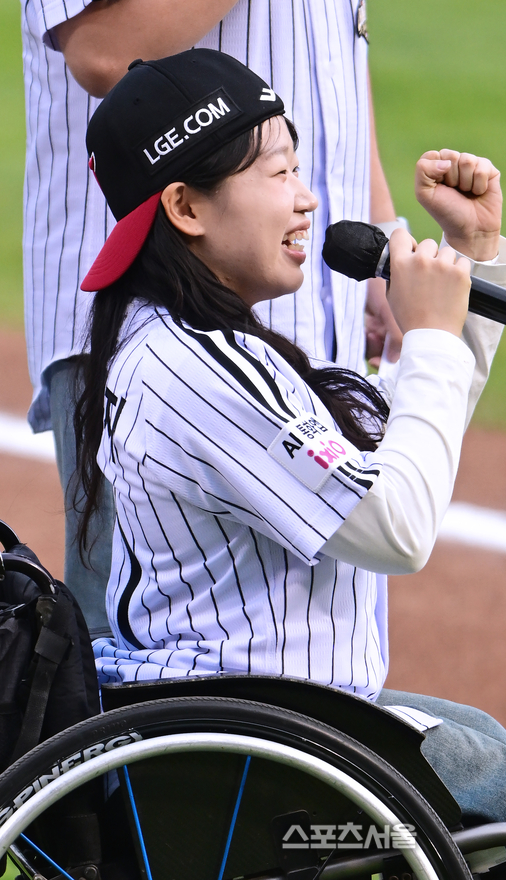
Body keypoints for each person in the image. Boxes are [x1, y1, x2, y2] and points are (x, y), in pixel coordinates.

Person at [70, 50, 506, 862]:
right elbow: (396, 527)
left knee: (479, 741)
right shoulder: (198, 370)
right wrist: (428, 336)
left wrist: (471, 257)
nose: (307, 197)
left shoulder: (191, 344)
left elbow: (400, 446)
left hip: (258, 723)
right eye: (279, 171)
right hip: (252, 754)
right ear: (185, 207)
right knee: (492, 780)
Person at [21, 0, 398, 638]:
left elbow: (337, 56)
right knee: (129, 654)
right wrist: (446, 348)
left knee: (327, 630)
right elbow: (102, 49)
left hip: (303, 281)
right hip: (154, 320)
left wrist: (379, 226)